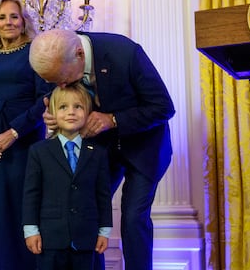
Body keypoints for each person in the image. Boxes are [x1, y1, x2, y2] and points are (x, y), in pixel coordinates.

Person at [29, 28, 175, 270]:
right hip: (102, 150)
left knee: (132, 218)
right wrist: (54, 113)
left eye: (62, 80)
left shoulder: (125, 53)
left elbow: (163, 107)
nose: (60, 85)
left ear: (79, 54)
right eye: (54, 82)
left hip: (145, 148)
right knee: (84, 210)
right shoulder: (56, 59)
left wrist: (113, 119)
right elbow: (54, 96)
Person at [0, 0, 52, 269]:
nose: (8, 22)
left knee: (22, 209)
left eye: (14, 16)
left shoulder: (35, 52)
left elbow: (43, 101)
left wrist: (13, 133)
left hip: (24, 142)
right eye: (2, 17)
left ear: (23, 20)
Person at [22, 83, 112, 270]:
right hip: (50, 240)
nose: (71, 112)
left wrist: (104, 231)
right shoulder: (39, 152)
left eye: (78, 106)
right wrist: (30, 230)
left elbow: (103, 195)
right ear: (52, 113)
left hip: (87, 240)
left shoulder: (98, 153)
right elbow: (31, 194)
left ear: (88, 113)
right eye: (63, 107)